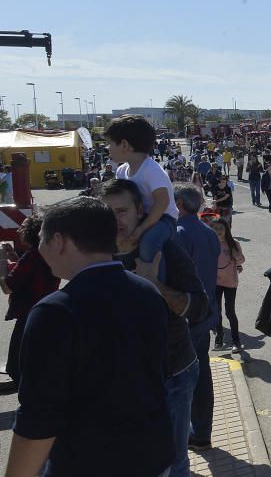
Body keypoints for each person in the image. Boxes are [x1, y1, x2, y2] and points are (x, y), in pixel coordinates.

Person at [5, 197, 174, 477]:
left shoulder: (54, 311)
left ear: (59, 241)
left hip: (91, 463)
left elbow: (38, 418)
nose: (40, 249)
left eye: (42, 240)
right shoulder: (147, 292)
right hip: (155, 454)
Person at [100, 179, 210, 477]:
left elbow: (200, 309)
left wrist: (155, 285)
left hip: (172, 374)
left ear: (140, 210)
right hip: (123, 380)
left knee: (174, 462)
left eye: (122, 211)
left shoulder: (165, 251)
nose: (116, 220)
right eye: (108, 213)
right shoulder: (96, 256)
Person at [173, 183, 222, 452]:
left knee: (184, 378)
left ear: (179, 204)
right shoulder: (208, 231)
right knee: (202, 374)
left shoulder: (178, 234)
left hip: (188, 316)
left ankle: (191, 432)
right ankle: (202, 431)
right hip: (206, 312)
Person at [106, 114, 179, 265]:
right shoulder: (121, 171)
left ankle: (154, 280)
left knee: (148, 243)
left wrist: (140, 230)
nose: (108, 148)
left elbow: (162, 202)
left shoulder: (150, 169)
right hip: (141, 217)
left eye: (110, 143)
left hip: (164, 219)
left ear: (124, 145)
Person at [0, 214, 59, 391]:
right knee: (36, 358)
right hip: (47, 310)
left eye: (22, 228)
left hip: (29, 313)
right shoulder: (46, 252)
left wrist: (2, 261)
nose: (18, 230)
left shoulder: (31, 257)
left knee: (15, 365)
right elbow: (28, 273)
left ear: (30, 233)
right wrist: (13, 258)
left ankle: (28, 396)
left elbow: (7, 286)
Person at [210, 217, 245, 352]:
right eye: (215, 228)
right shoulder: (210, 243)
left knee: (230, 312)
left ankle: (236, 341)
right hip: (215, 282)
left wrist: (236, 256)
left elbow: (241, 260)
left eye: (221, 228)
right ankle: (219, 340)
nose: (218, 231)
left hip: (230, 282)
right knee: (216, 312)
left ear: (227, 230)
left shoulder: (233, 243)